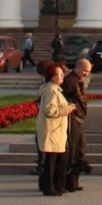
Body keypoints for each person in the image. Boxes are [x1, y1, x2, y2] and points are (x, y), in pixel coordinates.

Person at [36, 61, 75, 196]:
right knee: (51, 162)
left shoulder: (54, 89)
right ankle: (49, 187)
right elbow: (49, 110)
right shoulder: (52, 91)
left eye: (62, 73)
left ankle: (55, 186)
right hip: (52, 131)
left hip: (55, 131)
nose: (62, 76)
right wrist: (66, 109)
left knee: (55, 160)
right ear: (51, 76)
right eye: (59, 74)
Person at [61, 59, 93, 191]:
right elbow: (61, 97)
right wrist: (70, 108)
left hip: (78, 118)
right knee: (73, 151)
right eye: (85, 70)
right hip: (72, 119)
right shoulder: (69, 81)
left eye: (89, 71)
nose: (86, 74)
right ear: (78, 67)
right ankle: (69, 182)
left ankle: (74, 181)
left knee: (80, 149)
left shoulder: (78, 80)